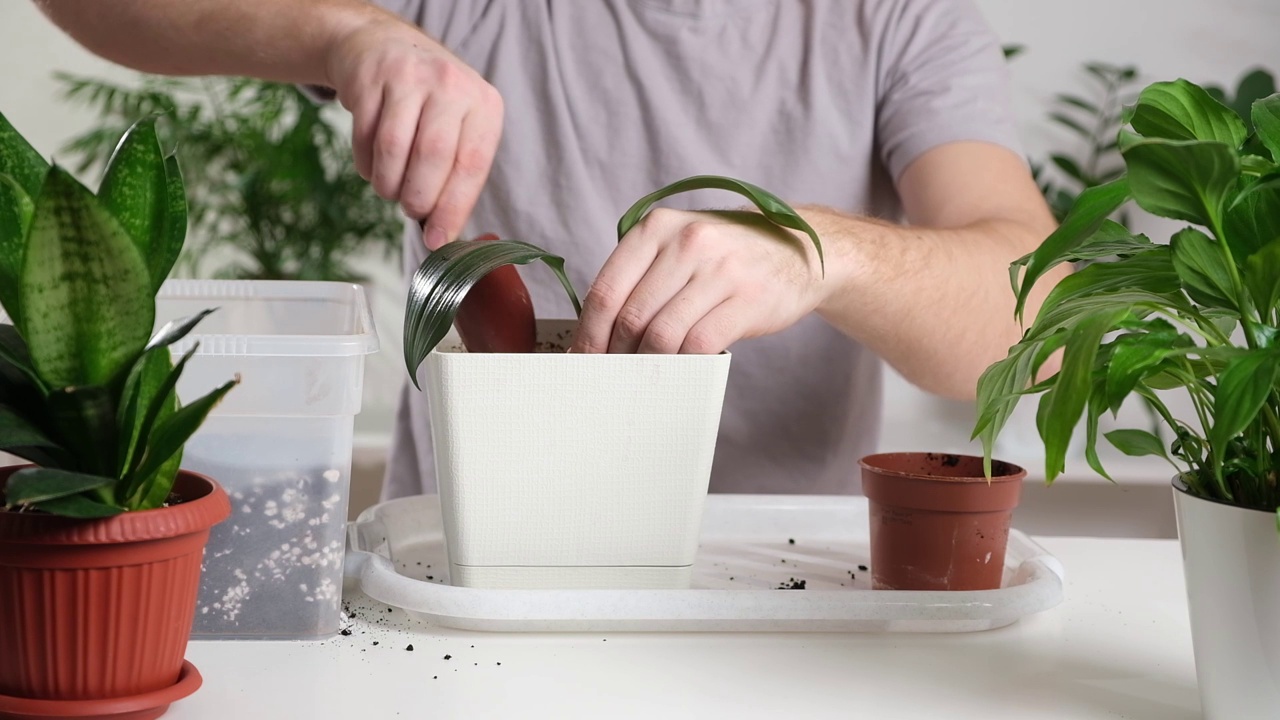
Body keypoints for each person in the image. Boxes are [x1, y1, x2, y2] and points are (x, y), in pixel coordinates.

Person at [37, 0, 1066, 499]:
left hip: (781, 584)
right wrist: (347, 34)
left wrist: (820, 255)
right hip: (473, 575)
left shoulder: (897, 18)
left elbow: (1043, 318)